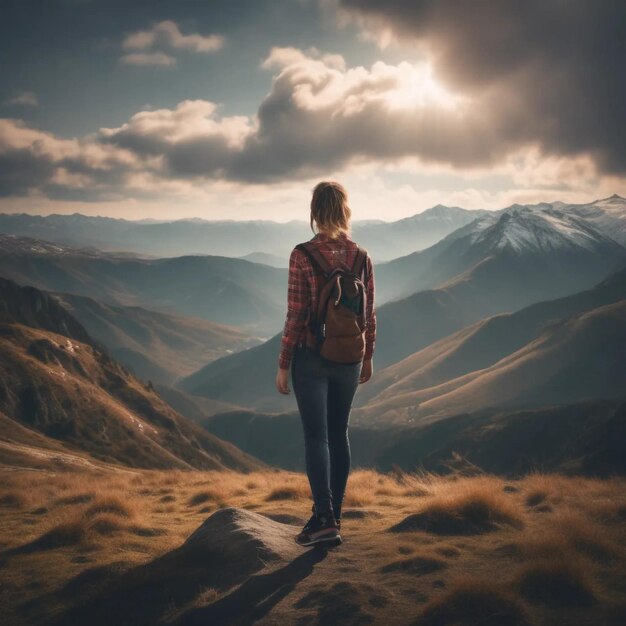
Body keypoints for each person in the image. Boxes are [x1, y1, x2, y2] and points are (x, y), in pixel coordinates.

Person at [275, 181, 376, 547]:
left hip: (312, 357)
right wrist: (368, 356)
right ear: (345, 210)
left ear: (315, 212)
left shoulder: (302, 254)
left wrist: (284, 363)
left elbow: (297, 313)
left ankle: (323, 518)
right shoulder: (361, 255)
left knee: (316, 436)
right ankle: (335, 517)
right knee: (339, 434)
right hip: (350, 356)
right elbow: (368, 313)